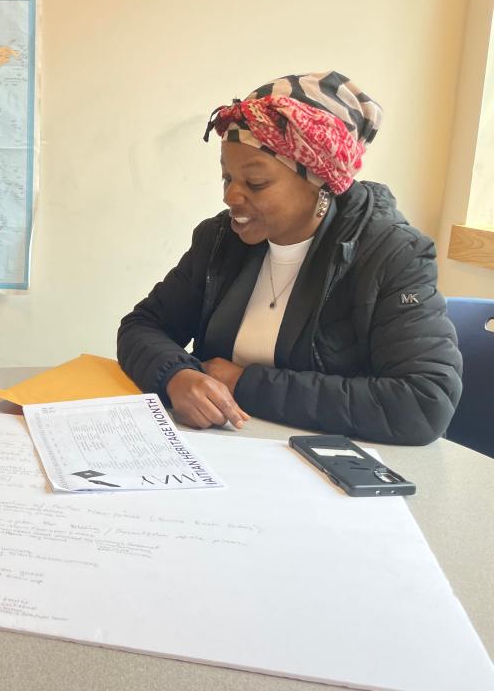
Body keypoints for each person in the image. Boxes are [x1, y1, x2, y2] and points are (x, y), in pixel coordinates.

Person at [117, 71, 462, 445]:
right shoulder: (219, 239)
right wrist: (175, 375)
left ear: (319, 182)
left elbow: (424, 402)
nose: (231, 197)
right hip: (217, 451)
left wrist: (243, 383)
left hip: (327, 473)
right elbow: (143, 326)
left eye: (256, 183)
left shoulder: (392, 255)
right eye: (226, 178)